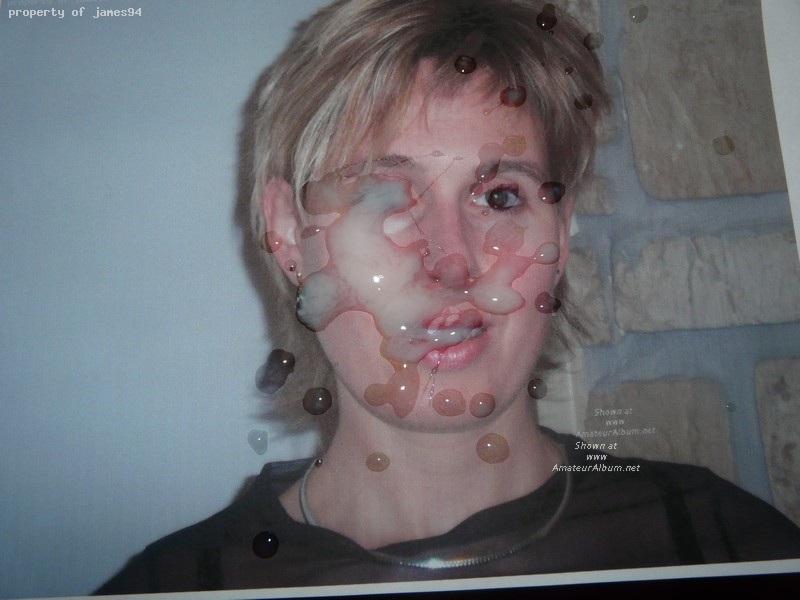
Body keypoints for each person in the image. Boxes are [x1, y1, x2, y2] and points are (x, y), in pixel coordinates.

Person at [95, 0, 800, 594]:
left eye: (500, 196)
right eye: (383, 197)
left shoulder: (727, 546)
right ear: (287, 234)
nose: (452, 262)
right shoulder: (178, 585)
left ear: (560, 231)